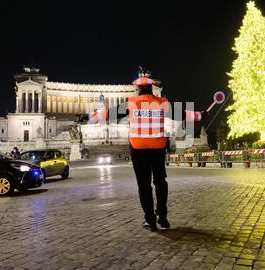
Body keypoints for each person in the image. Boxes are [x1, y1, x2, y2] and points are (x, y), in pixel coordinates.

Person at [85, 73, 206, 231]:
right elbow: (182, 114)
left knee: (144, 186)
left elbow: (109, 114)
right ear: (152, 89)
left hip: (138, 150)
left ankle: (150, 220)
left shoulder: (132, 103)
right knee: (160, 182)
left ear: (138, 89)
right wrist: (200, 115)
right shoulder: (162, 103)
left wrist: (91, 115)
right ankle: (162, 216)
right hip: (157, 148)